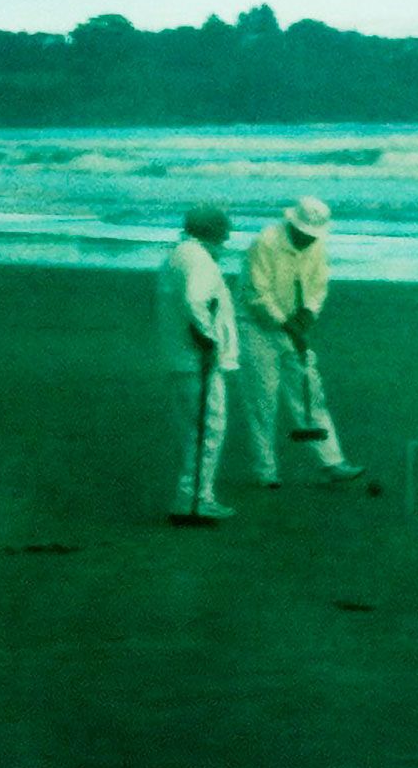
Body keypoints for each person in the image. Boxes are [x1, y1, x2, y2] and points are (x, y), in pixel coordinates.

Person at [238, 197, 365, 488]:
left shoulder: (317, 245)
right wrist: (287, 325)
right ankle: (266, 470)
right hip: (255, 326)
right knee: (262, 399)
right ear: (292, 224)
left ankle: (332, 462)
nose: (308, 239)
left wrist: (307, 314)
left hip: (294, 325)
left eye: (313, 235)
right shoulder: (265, 243)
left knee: (310, 392)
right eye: (304, 233)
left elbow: (319, 285)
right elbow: (257, 294)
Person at [156, 206, 238, 524]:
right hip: (197, 360)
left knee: (196, 429)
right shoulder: (198, 259)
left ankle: (192, 497)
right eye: (223, 233)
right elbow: (195, 300)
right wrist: (209, 338)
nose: (226, 240)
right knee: (209, 428)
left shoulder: (178, 254)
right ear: (212, 231)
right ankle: (195, 500)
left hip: (180, 357)